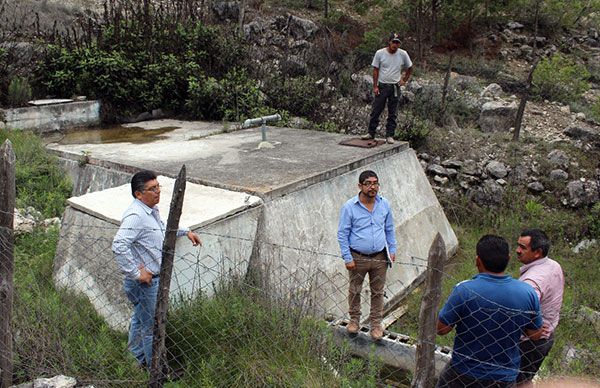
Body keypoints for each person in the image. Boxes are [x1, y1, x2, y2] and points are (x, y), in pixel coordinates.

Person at [112, 170, 202, 368]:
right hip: (146, 282)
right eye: (152, 189)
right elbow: (118, 245)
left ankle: (136, 359)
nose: (158, 192)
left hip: (148, 280)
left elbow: (162, 230)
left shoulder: (150, 210)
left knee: (140, 319)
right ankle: (155, 369)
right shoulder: (136, 215)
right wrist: (137, 273)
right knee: (151, 327)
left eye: (158, 187)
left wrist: (185, 231)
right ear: (138, 194)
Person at [436, 235, 543, 388]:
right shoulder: (527, 292)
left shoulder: (465, 290)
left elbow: (441, 329)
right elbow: (535, 334)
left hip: (464, 372)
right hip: (504, 376)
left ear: (477, 260)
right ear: (508, 258)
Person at [337, 170, 396, 340]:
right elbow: (342, 234)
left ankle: (376, 324)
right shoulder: (350, 207)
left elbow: (389, 229)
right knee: (355, 290)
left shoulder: (384, 204)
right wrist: (347, 257)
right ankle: (354, 320)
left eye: (375, 183)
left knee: (378, 291)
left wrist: (392, 250)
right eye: (368, 183)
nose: (373, 187)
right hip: (358, 257)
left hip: (379, 257)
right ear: (360, 186)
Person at [516, 229, 564, 387]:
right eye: (518, 245)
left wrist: (531, 328)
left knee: (514, 382)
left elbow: (521, 313)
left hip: (527, 343)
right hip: (546, 337)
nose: (518, 250)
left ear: (537, 252)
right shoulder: (553, 265)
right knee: (524, 381)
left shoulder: (532, 281)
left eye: (523, 247)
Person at [362, 32, 413, 144]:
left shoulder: (403, 54)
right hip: (382, 85)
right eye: (393, 42)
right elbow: (375, 70)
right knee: (376, 110)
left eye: (397, 43)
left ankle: (390, 135)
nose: (395, 45)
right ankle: (371, 132)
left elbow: (409, 67)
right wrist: (375, 86)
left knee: (393, 112)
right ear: (389, 42)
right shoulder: (380, 53)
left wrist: (404, 80)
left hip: (395, 86)